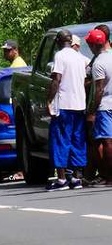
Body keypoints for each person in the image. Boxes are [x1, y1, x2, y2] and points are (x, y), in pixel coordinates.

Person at [47, 29, 87, 190]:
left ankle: (62, 179)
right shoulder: (79, 57)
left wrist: (49, 99)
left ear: (58, 41)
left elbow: (57, 79)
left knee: (60, 140)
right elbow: (85, 79)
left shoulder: (60, 56)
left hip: (64, 104)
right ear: (71, 41)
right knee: (77, 140)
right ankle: (76, 178)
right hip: (80, 104)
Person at [85, 28, 112, 185]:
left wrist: (92, 111)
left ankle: (109, 176)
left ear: (94, 45)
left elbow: (99, 89)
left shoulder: (99, 63)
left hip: (105, 106)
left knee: (106, 141)